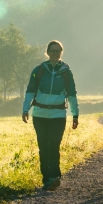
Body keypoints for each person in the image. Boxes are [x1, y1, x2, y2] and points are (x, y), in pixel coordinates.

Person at [22, 40, 79, 190]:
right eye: (52, 50)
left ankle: (55, 176)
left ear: (61, 52)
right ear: (47, 52)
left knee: (53, 145)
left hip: (58, 114)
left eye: (58, 50)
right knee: (43, 146)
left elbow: (72, 94)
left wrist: (75, 114)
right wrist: (25, 109)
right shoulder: (39, 70)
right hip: (39, 114)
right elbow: (30, 91)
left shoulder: (66, 71)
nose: (55, 53)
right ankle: (46, 178)